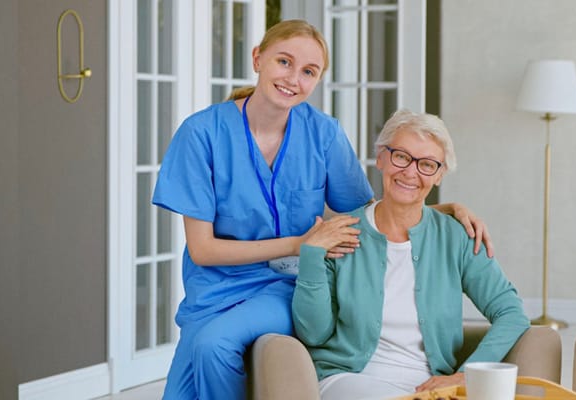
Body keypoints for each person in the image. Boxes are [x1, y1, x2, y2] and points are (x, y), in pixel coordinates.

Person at [152, 20, 492, 400]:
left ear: (317, 80)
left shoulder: (324, 133)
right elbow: (204, 250)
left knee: (212, 346)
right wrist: (300, 243)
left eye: (309, 71)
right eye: (284, 61)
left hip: (287, 286)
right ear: (258, 58)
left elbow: (368, 213)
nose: (293, 78)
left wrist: (443, 209)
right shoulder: (200, 134)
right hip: (212, 290)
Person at [292, 109, 530, 400]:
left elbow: (511, 313)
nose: (410, 172)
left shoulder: (456, 238)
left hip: (429, 388)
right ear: (381, 157)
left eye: (427, 164)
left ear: (440, 175)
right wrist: (312, 257)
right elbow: (313, 334)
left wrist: (464, 376)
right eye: (401, 156)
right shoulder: (340, 234)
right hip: (349, 379)